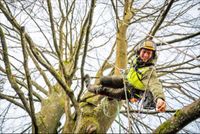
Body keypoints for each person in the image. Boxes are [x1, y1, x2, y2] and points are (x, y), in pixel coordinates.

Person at [84, 40, 166, 112]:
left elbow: (155, 84)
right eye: (144, 52)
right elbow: (133, 71)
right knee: (103, 80)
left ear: (152, 55)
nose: (145, 55)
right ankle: (112, 95)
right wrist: (125, 72)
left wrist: (159, 98)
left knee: (104, 90)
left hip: (131, 92)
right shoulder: (136, 60)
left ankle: (88, 86)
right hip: (125, 80)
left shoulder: (149, 71)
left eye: (149, 53)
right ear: (139, 51)